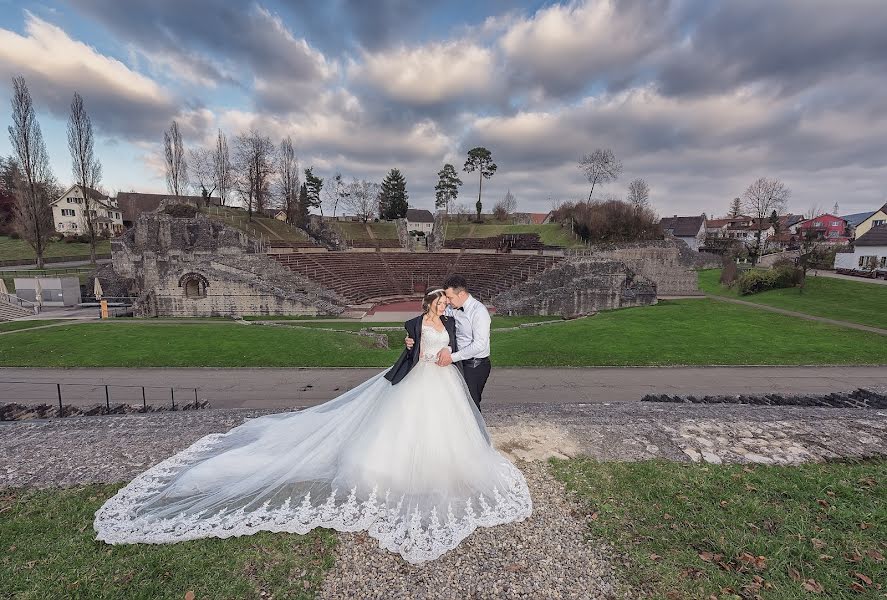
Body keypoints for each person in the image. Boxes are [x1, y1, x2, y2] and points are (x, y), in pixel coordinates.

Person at [93, 287, 531, 565]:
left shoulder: (453, 321)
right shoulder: (418, 322)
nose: (442, 306)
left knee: (452, 430)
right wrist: (414, 344)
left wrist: (444, 355)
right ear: (429, 304)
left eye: (444, 301)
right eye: (437, 302)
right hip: (420, 380)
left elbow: (462, 344)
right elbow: (414, 342)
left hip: (444, 380)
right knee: (400, 428)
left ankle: (446, 468)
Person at [406, 274, 491, 411]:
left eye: (450, 298)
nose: (448, 303)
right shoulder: (452, 308)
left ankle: (475, 432)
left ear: (461, 294)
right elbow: (433, 319)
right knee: (454, 403)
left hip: (474, 365)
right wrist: (412, 337)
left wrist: (451, 356)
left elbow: (479, 345)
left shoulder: (479, 312)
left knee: (471, 404)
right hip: (457, 362)